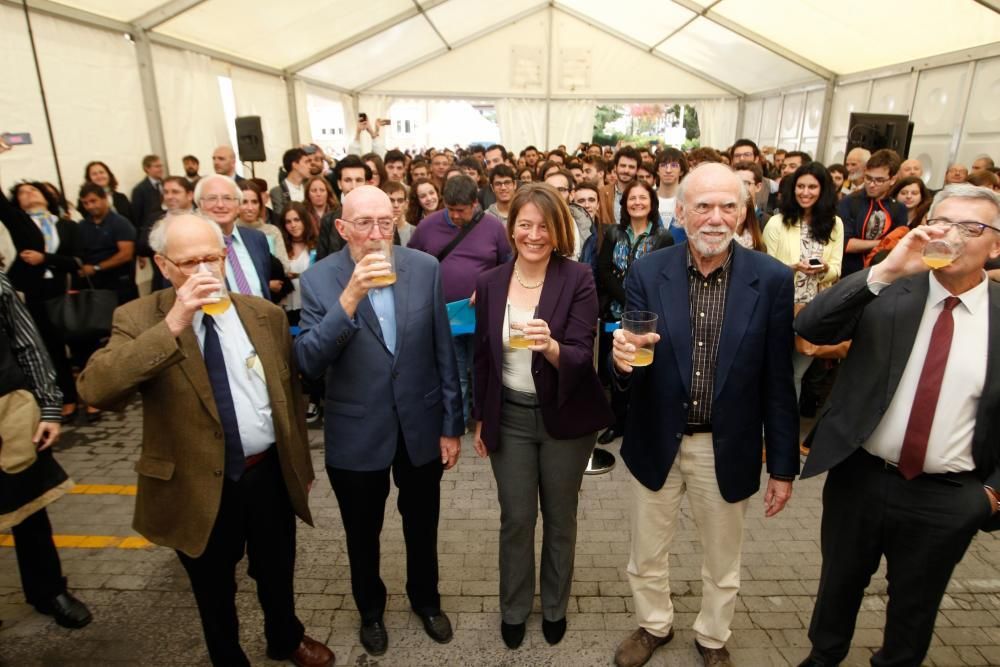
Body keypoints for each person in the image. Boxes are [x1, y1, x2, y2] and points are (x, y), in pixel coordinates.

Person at [77, 213, 332, 667]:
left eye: (212, 258)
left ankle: (285, 637)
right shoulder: (138, 318)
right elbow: (96, 389)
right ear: (163, 265)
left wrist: (300, 467)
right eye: (189, 262)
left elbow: (289, 395)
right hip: (195, 481)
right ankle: (227, 656)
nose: (203, 271)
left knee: (276, 569)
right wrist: (174, 322)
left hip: (266, 473)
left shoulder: (263, 315)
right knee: (212, 584)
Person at [794, 184, 1000, 667]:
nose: (952, 235)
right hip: (860, 477)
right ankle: (824, 657)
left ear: (995, 246)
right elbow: (812, 329)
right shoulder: (890, 291)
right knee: (838, 584)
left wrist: (990, 494)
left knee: (915, 604)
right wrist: (885, 270)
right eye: (943, 222)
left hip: (949, 494)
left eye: (971, 228)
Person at [610, 163, 798, 667]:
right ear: (681, 212)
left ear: (743, 213)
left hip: (727, 444)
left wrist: (782, 467)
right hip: (656, 437)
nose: (715, 218)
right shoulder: (650, 270)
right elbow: (627, 360)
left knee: (722, 558)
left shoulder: (773, 278)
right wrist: (620, 360)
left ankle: (713, 636)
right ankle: (654, 625)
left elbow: (780, 380)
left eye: (728, 206)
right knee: (647, 551)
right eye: (704, 206)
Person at [294, 186, 463, 657]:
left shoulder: (424, 268)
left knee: (423, 522)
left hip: (419, 424)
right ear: (343, 228)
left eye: (385, 222)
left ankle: (425, 599)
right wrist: (349, 298)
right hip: (356, 431)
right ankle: (370, 609)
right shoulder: (319, 280)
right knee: (361, 530)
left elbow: (442, 352)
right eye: (364, 224)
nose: (375, 233)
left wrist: (451, 424)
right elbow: (308, 360)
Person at [472, 183, 613, 649]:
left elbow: (580, 354)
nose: (533, 235)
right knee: (515, 517)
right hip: (509, 417)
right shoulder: (491, 282)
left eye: (543, 226)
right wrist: (479, 418)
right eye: (524, 224)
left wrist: (549, 344)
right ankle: (514, 608)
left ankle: (554, 606)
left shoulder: (578, 278)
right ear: (511, 228)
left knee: (560, 517)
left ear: (558, 231)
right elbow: (482, 359)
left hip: (564, 419)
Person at [0, 270, 92, 629]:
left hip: (9, 407)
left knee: (29, 508)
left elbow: (26, 343)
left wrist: (50, 407)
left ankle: (48, 590)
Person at [408, 175, 511, 423]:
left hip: (482, 314)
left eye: (461, 211)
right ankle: (457, 419)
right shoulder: (428, 226)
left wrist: (487, 287)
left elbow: (507, 265)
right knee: (453, 370)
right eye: (450, 209)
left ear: (475, 203)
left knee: (481, 368)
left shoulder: (493, 226)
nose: (454, 216)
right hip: (443, 314)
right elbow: (409, 264)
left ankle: (483, 418)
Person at [596, 179, 673, 445]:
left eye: (643, 198)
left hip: (649, 317)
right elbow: (604, 270)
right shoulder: (612, 233)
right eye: (632, 198)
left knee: (644, 372)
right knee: (618, 369)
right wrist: (628, 299)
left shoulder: (663, 237)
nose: (637, 202)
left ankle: (639, 424)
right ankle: (616, 422)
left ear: (652, 203)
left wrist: (639, 306)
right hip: (615, 314)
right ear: (624, 203)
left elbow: (664, 277)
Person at [762, 162, 844, 398]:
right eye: (800, 186)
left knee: (796, 374)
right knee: (772, 370)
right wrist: (793, 268)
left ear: (823, 190)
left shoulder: (834, 224)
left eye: (812, 187)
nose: (805, 192)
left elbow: (837, 269)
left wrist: (824, 269)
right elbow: (765, 269)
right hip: (780, 308)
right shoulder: (778, 222)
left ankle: (784, 431)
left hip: (815, 310)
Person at [0, 183, 81, 420]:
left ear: (47, 197)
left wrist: (45, 258)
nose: (29, 194)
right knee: (49, 346)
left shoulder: (66, 224)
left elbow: (77, 260)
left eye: (33, 190)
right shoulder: (20, 224)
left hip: (63, 289)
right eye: (22, 193)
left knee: (78, 341)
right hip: (34, 292)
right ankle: (65, 397)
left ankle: (91, 395)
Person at [196, 175, 272, 299]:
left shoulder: (257, 239)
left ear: (238, 205)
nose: (220, 205)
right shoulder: (191, 248)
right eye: (212, 198)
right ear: (200, 205)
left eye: (227, 198)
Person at [839, 149, 908, 276]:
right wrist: (883, 243)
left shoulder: (899, 209)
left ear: (892, 180)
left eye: (879, 180)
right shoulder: (849, 202)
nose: (871, 184)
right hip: (848, 274)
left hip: (882, 275)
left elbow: (898, 246)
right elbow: (846, 244)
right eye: (868, 178)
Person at [239, 181, 290, 272]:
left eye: (254, 202)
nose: (250, 208)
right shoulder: (230, 232)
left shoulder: (272, 231)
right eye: (244, 202)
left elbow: (285, 267)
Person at [598, 146, 640, 226]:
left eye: (631, 167)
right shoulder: (602, 192)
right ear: (616, 167)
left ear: (637, 170)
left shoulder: (645, 194)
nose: (626, 170)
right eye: (623, 166)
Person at [270, 148, 312, 214]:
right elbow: (280, 216)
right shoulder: (278, 192)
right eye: (306, 162)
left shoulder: (310, 187)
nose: (310, 166)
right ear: (295, 165)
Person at [129, 154, 164, 230]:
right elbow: (137, 217)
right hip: (150, 230)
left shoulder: (166, 185)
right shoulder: (139, 190)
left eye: (161, 166)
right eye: (157, 166)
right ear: (147, 168)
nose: (161, 169)